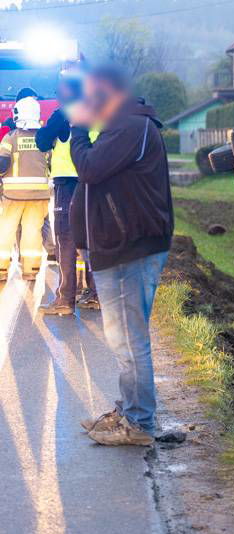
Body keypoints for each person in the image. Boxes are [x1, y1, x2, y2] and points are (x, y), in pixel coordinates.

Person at [68, 65, 173, 446]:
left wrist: (78, 131)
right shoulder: (126, 125)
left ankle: (139, 424)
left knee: (129, 341)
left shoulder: (130, 126)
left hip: (132, 247)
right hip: (122, 245)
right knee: (124, 339)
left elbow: (91, 169)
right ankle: (131, 412)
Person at [37, 70, 100, 316]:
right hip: (93, 181)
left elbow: (42, 141)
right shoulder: (97, 112)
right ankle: (95, 294)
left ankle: (64, 298)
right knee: (91, 239)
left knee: (66, 238)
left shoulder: (63, 112)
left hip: (68, 182)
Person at [0, 95, 50, 282]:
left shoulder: (10, 137)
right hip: (39, 195)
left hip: (13, 195)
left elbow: (2, 163)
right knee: (32, 231)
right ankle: (31, 270)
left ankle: (1, 269)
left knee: (6, 230)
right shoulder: (43, 138)